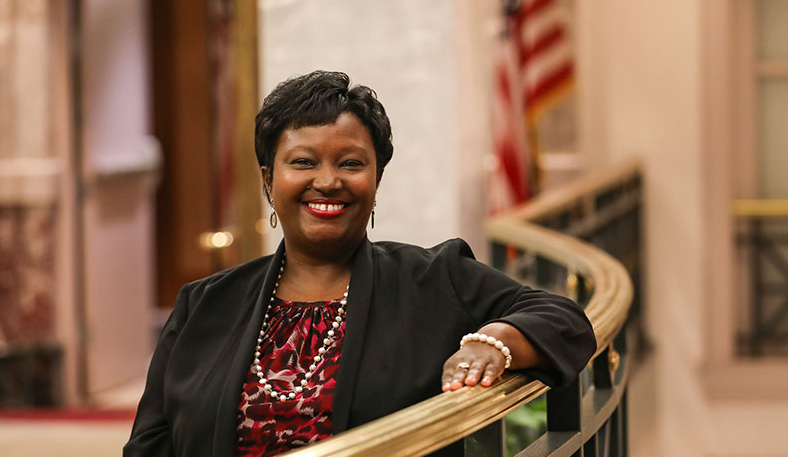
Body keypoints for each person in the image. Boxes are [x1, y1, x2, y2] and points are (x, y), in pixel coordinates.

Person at [124, 71, 595, 457]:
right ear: (269, 180)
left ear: (376, 178)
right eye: (303, 162)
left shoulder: (433, 279)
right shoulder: (205, 303)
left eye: (351, 163)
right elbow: (150, 444)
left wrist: (493, 343)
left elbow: (565, 320)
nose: (327, 182)